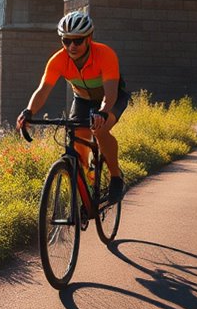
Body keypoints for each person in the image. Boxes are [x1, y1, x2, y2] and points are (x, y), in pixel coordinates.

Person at [16, 11, 129, 204]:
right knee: (78, 149)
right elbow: (43, 90)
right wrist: (28, 112)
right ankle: (86, 193)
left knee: (100, 131)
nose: (71, 46)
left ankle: (116, 177)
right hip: (83, 100)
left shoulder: (105, 54)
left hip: (111, 98)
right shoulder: (58, 60)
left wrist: (103, 112)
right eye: (66, 41)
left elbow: (110, 93)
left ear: (89, 38)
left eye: (77, 40)